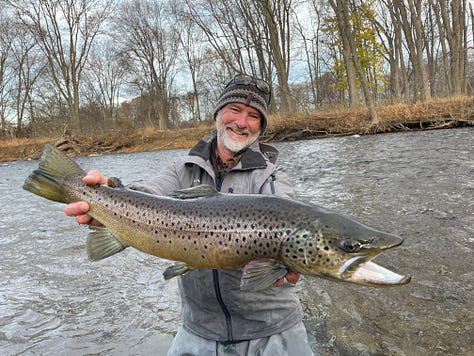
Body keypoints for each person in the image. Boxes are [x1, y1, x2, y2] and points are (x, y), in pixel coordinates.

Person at [65, 74, 314, 356]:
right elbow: (148, 193)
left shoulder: (272, 177)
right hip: (200, 330)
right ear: (219, 113)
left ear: (261, 125)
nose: (242, 123)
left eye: (253, 115)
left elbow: (288, 212)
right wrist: (107, 194)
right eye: (235, 110)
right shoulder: (181, 169)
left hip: (272, 330)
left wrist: (293, 264)